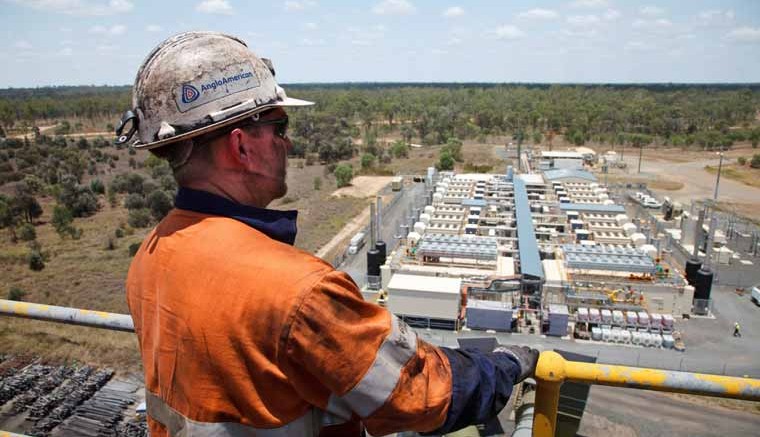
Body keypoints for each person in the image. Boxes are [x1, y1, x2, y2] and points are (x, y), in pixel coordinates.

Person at [120, 31, 539, 437]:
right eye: (279, 128)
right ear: (240, 147)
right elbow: (424, 394)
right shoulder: (295, 291)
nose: (288, 145)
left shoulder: (153, 256)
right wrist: (502, 366)